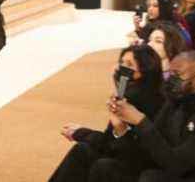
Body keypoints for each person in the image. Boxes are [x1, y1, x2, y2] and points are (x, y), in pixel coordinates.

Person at [110, 51, 195, 182]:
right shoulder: (175, 103)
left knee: (151, 178)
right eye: (170, 74)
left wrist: (141, 121)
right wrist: (121, 129)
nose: (170, 80)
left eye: (177, 75)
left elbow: (177, 164)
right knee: (106, 168)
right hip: (174, 174)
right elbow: (148, 154)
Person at [49, 45, 164, 182]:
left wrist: (118, 128)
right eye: (121, 62)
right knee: (83, 151)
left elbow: (131, 154)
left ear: (144, 70)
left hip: (142, 170)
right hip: (124, 158)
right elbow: (109, 143)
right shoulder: (127, 97)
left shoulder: (151, 103)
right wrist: (81, 133)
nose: (121, 68)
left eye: (129, 64)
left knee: (103, 166)